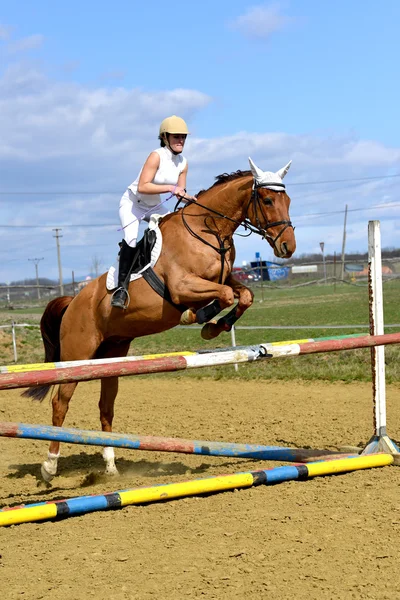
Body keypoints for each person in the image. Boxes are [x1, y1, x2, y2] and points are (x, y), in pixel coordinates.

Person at [111, 115, 195, 309]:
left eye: (183, 137)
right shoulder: (156, 155)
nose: (180, 140)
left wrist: (190, 199)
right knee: (131, 239)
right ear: (165, 138)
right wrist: (170, 188)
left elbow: (180, 194)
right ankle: (121, 289)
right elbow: (143, 186)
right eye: (176, 137)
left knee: (178, 229)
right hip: (133, 203)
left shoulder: (183, 163)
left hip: (154, 206)